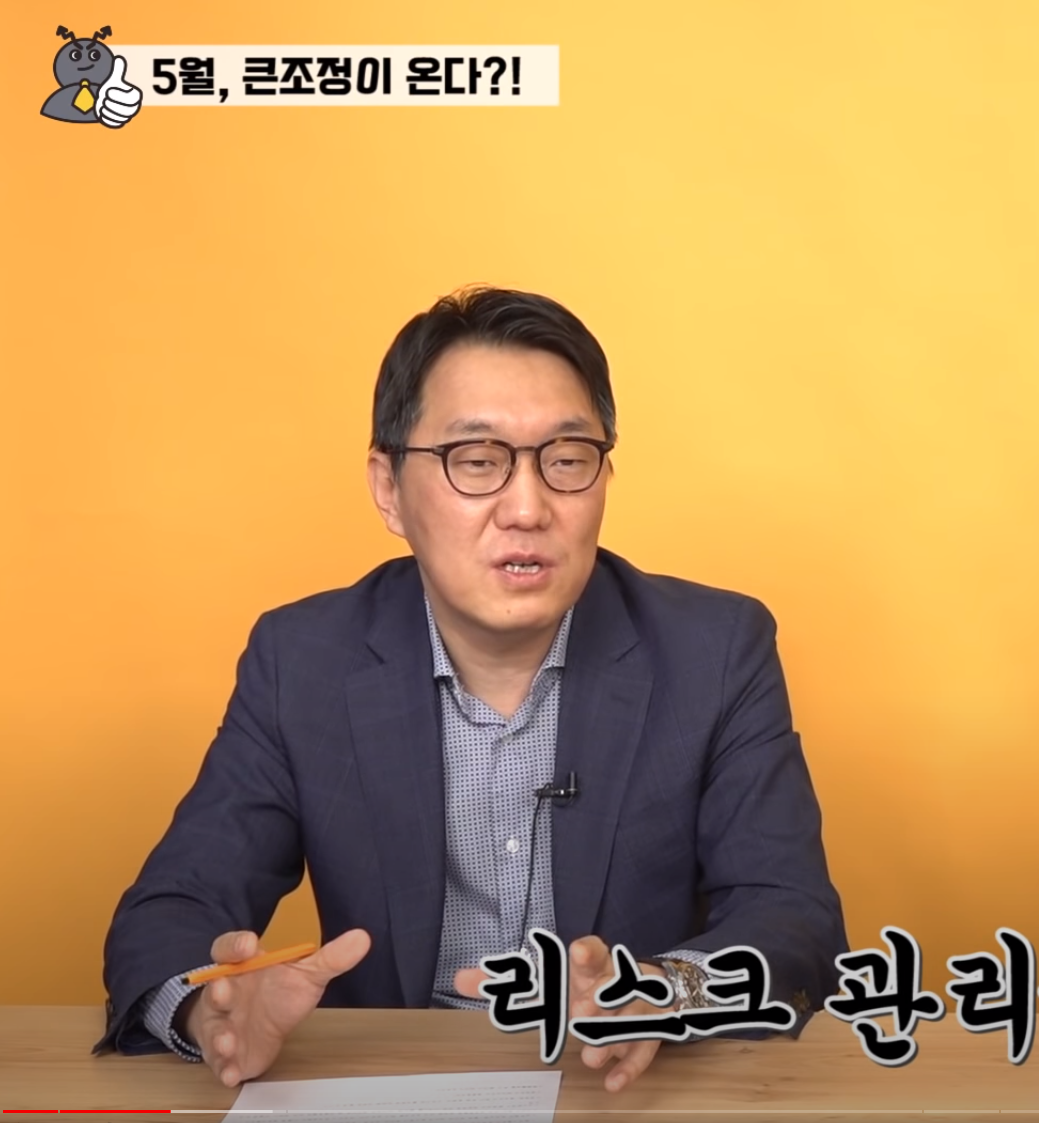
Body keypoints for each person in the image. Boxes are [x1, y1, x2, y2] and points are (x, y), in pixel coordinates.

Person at [98, 287, 850, 1091]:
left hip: (616, 1090)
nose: (527, 508)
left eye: (566, 459)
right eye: (478, 461)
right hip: (389, 1091)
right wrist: (205, 1009)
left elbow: (792, 919)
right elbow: (170, 910)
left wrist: (667, 989)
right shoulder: (304, 660)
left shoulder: (714, 650)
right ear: (388, 488)